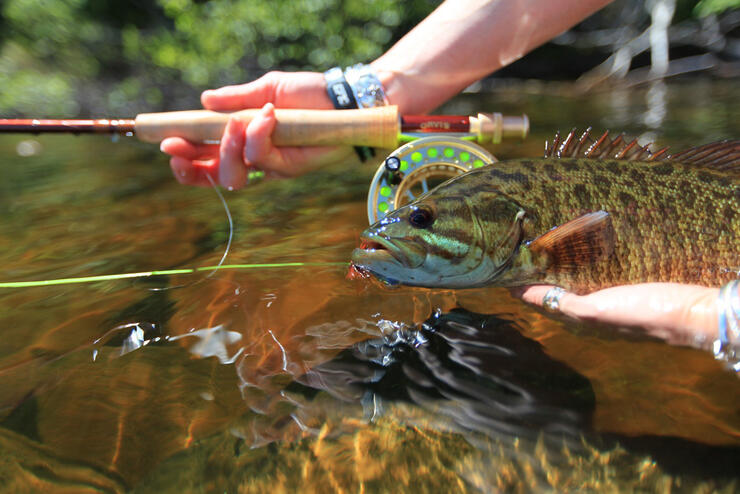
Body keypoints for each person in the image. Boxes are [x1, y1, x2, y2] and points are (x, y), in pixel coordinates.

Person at [159, 0, 739, 366]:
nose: (405, 227)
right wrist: (361, 96)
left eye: (422, 220)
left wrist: (716, 321)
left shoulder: (536, 244)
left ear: (511, 226)